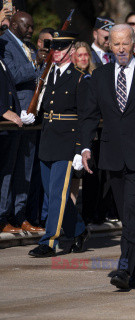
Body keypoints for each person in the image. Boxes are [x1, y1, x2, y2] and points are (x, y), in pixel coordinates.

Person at [80, 24, 135, 290]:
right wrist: (85, 147)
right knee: (126, 216)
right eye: (115, 43)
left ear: (134, 44)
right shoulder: (100, 76)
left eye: (125, 43)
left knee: (131, 211)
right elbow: (87, 116)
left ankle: (124, 268)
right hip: (112, 155)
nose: (121, 48)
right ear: (109, 46)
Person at [27, 31, 89, 257]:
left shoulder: (80, 78)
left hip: (66, 142)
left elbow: (85, 118)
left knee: (57, 193)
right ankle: (79, 230)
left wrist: (79, 149)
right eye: (54, 48)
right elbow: (45, 107)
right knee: (55, 195)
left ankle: (49, 241)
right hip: (48, 139)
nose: (56, 52)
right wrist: (32, 116)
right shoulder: (47, 75)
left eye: (62, 48)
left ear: (71, 51)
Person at [0, 11, 42, 233]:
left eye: (32, 27)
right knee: (9, 168)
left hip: (31, 115)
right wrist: (36, 64)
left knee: (25, 170)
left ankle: (20, 215)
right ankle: (3, 216)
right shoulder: (4, 43)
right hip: (13, 115)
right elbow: (12, 75)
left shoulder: (30, 47)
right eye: (27, 26)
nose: (31, 31)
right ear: (14, 24)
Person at [0, 56, 24, 233]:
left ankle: (2, 216)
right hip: (3, 122)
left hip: (9, 127)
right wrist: (2, 111)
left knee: (6, 172)